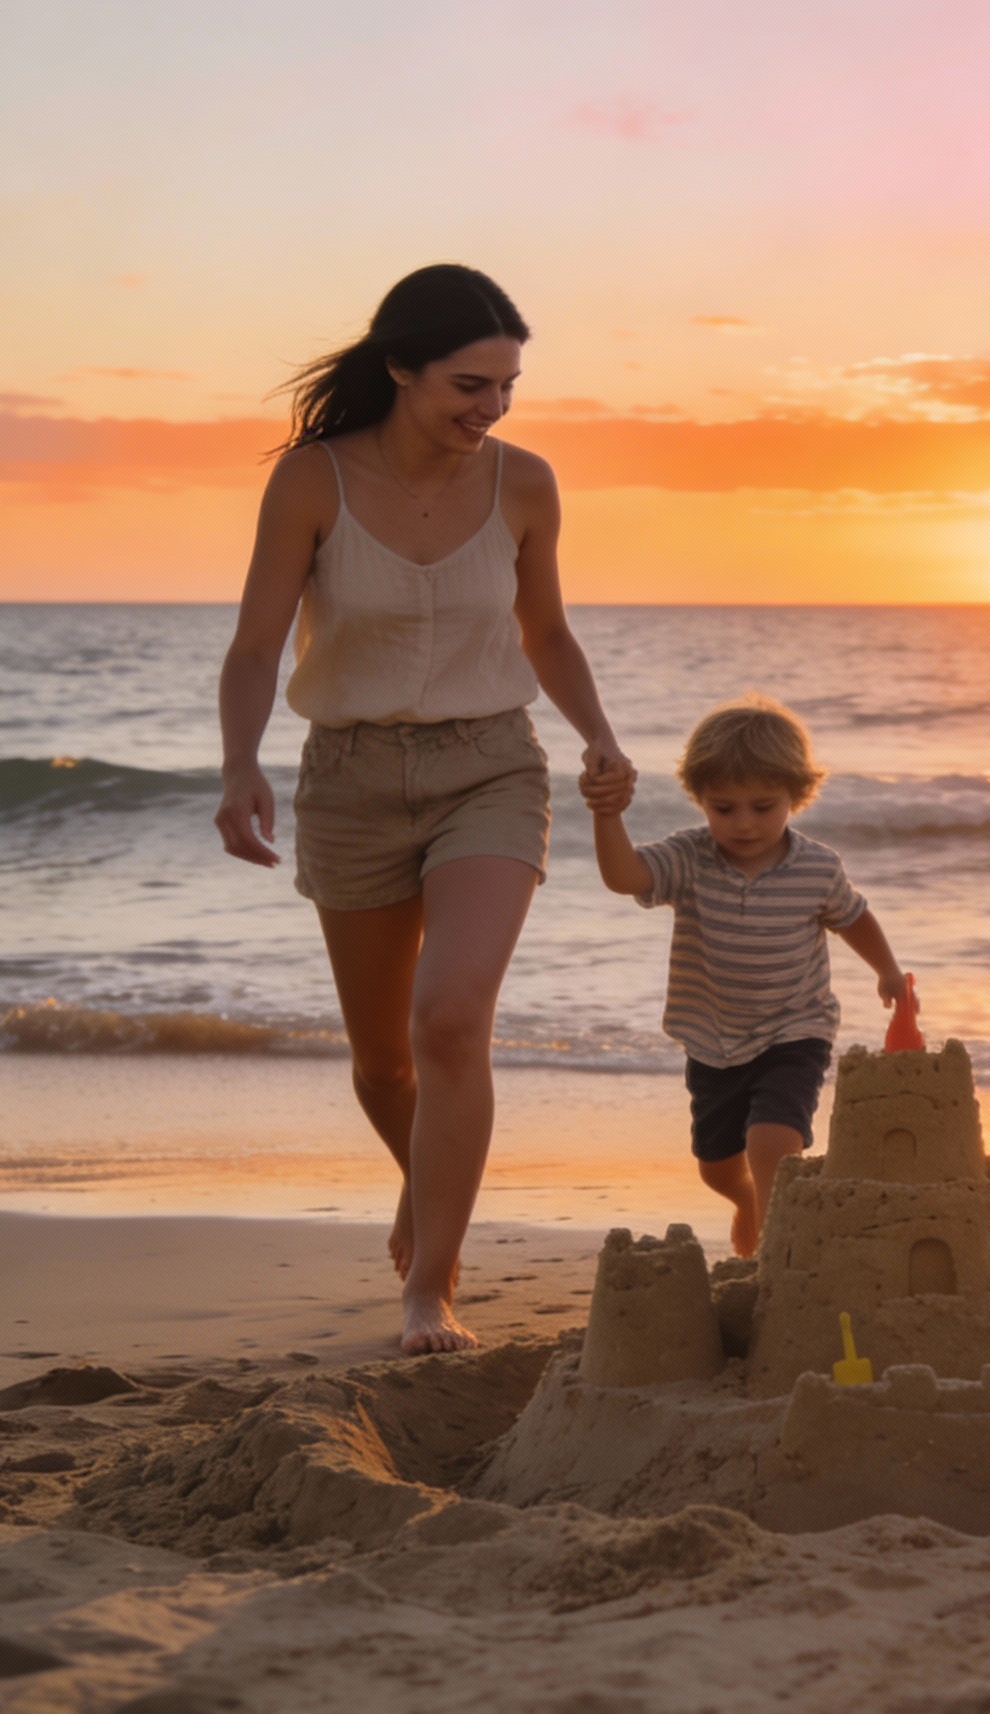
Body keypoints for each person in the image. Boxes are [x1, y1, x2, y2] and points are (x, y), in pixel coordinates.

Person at [213, 264, 631, 1355]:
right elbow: (258, 643)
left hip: (490, 766)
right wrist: (239, 764)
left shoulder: (527, 485)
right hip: (349, 778)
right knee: (383, 1061)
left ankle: (429, 1288)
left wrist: (599, 734)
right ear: (399, 368)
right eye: (467, 385)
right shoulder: (314, 482)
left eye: (505, 388)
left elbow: (546, 635)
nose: (489, 409)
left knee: (449, 1019)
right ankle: (425, 1189)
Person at [579, 695, 907, 1257]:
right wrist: (607, 814)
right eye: (723, 807)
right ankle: (745, 1202)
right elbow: (624, 876)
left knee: (773, 1142)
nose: (744, 823)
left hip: (794, 1032)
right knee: (716, 1167)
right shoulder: (689, 857)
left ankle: (783, 1255)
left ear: (796, 796)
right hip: (713, 1039)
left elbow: (854, 916)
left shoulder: (817, 867)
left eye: (763, 805)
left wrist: (888, 971)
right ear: (699, 799)